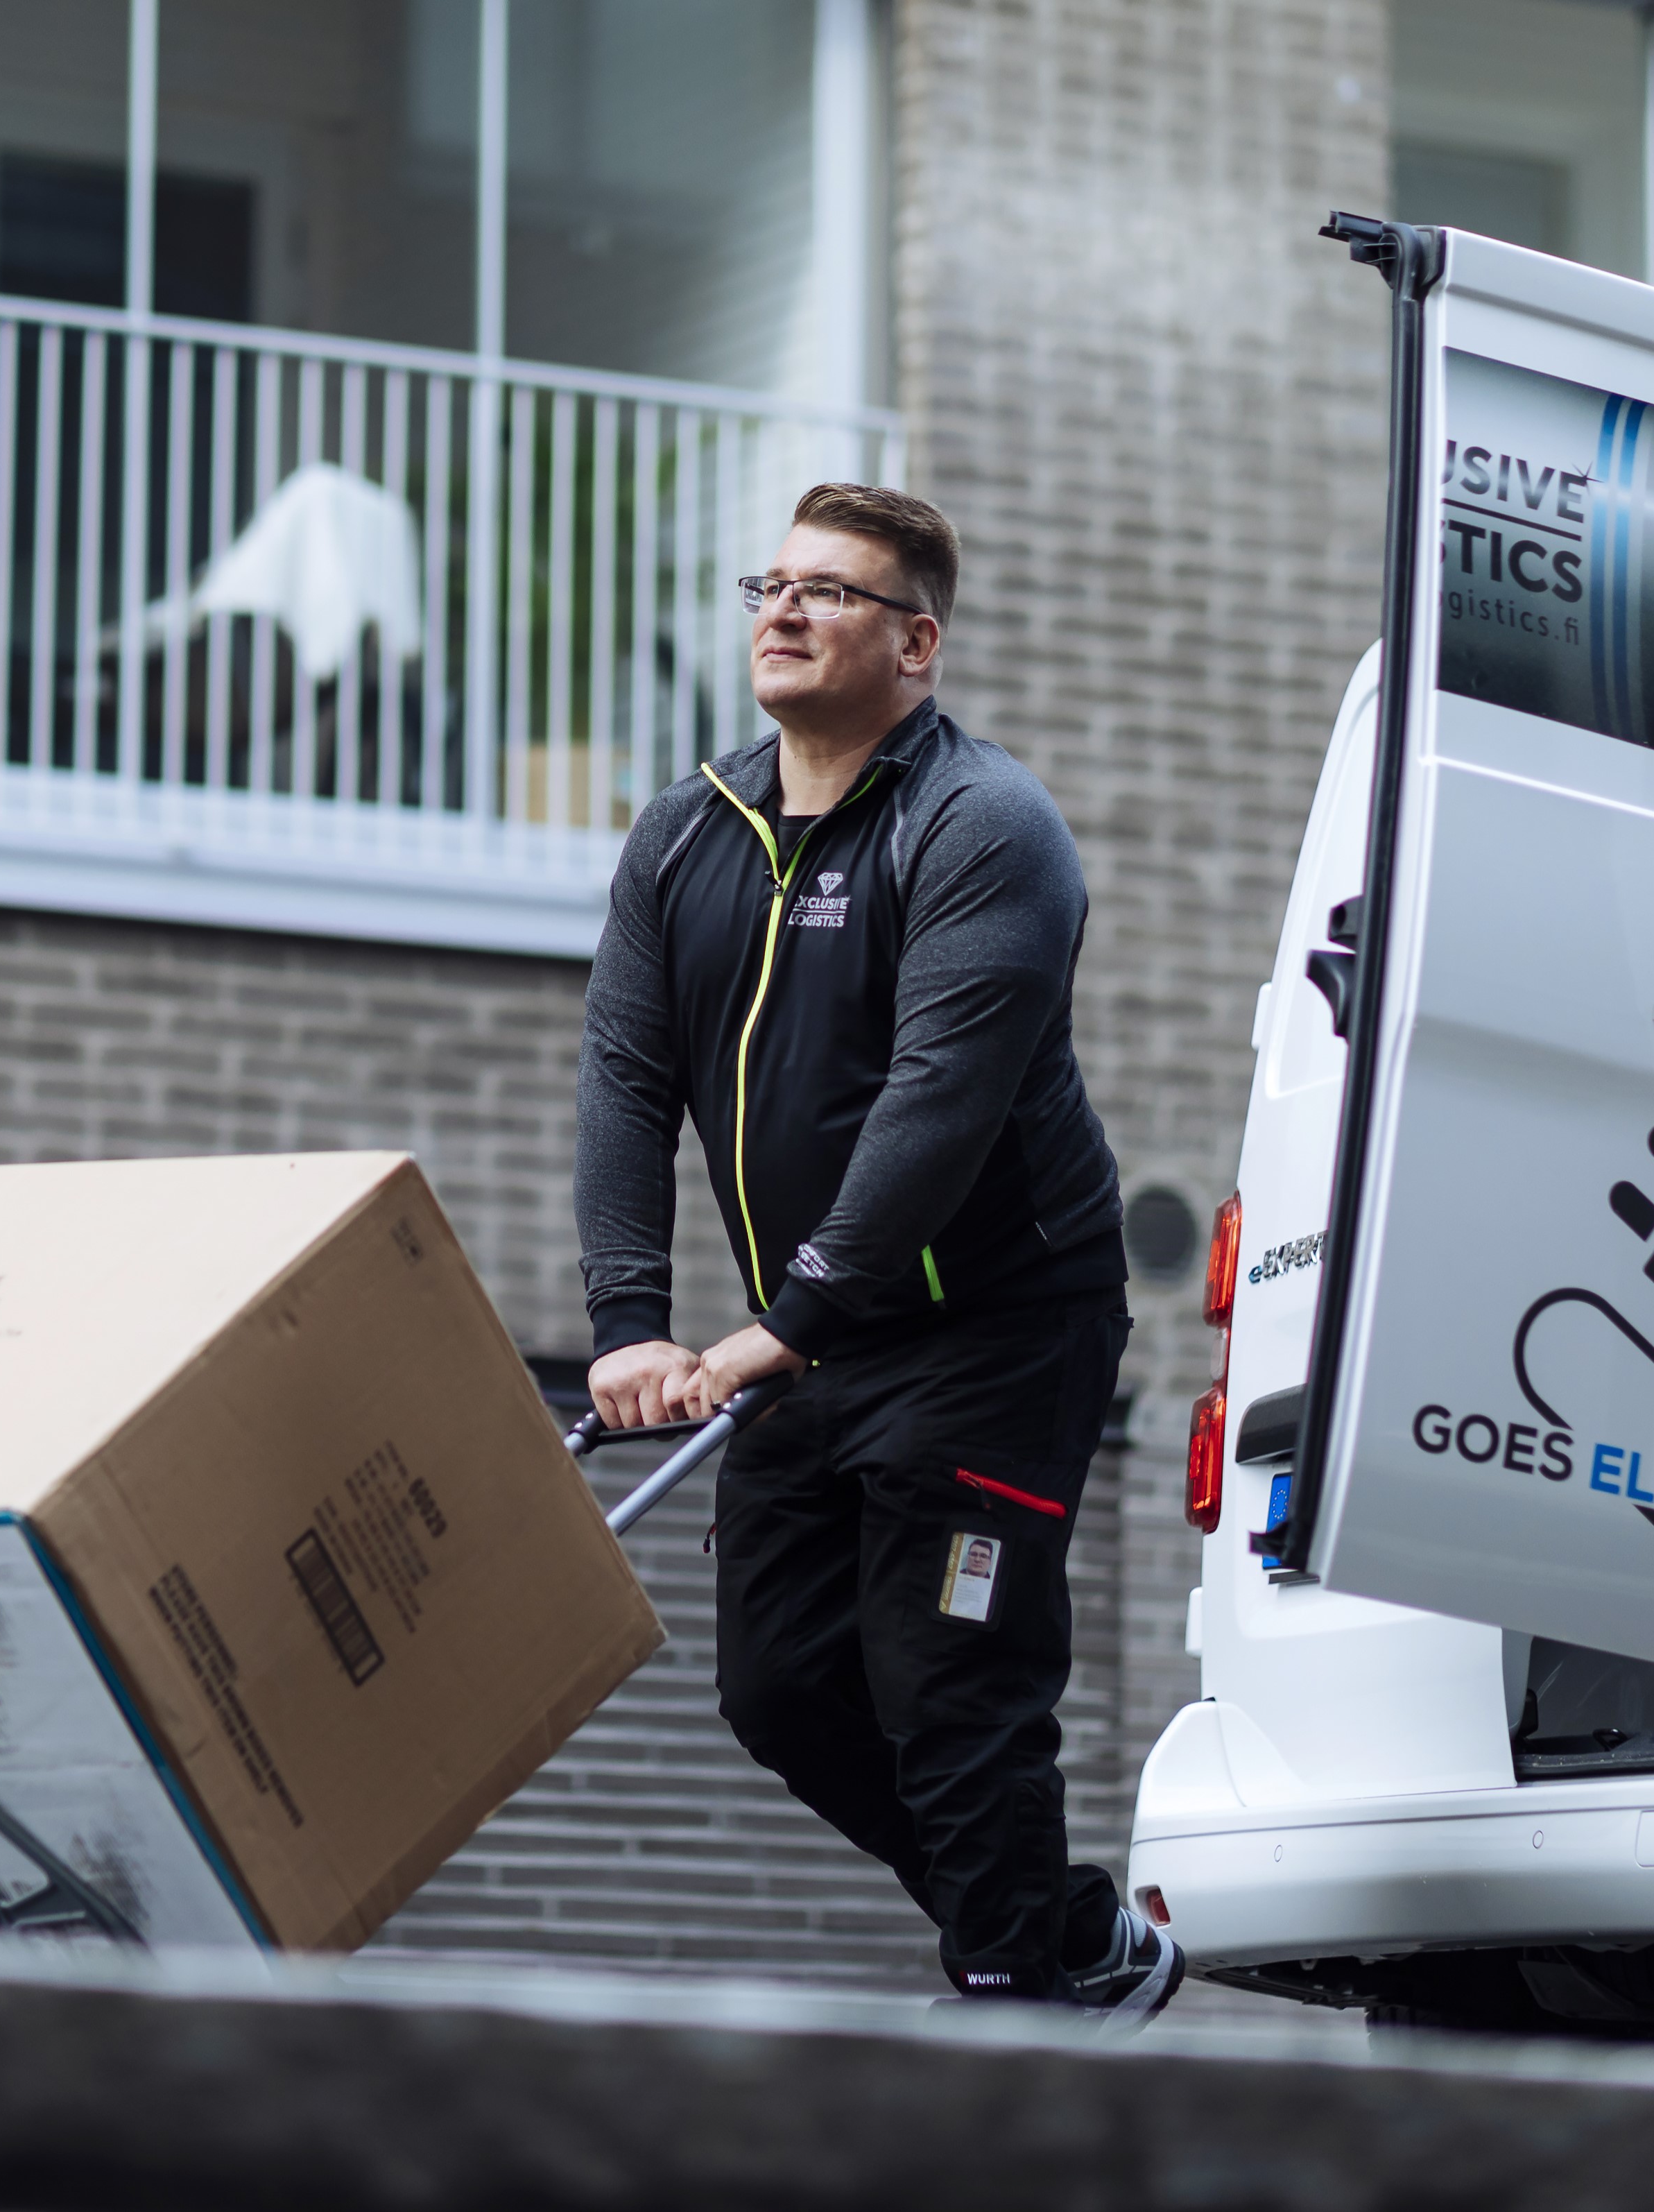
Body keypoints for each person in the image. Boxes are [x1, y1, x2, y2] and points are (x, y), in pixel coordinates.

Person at [575, 482, 1172, 2019]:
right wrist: (632, 1316)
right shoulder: (684, 833)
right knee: (779, 1688)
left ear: (916, 642)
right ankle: (1065, 1935)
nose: (782, 609)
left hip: (995, 1330)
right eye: (769, 582)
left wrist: (787, 1321)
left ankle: (1011, 2021)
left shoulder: (984, 827)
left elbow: (942, 1099)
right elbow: (628, 1081)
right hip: (808, 1336)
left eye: (827, 592)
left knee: (954, 1689)